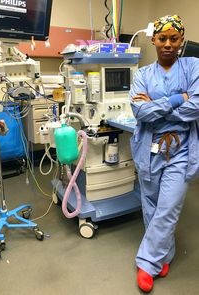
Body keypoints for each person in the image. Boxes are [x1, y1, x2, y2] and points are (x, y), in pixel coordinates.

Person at [129, 15, 199, 292]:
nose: (168, 44)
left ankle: (146, 263)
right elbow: (139, 111)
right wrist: (177, 99)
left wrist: (156, 106)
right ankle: (163, 256)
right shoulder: (144, 74)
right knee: (152, 206)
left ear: (182, 40)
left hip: (180, 149)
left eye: (174, 38)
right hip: (148, 148)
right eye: (162, 38)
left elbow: (197, 106)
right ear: (153, 40)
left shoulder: (193, 66)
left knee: (168, 208)